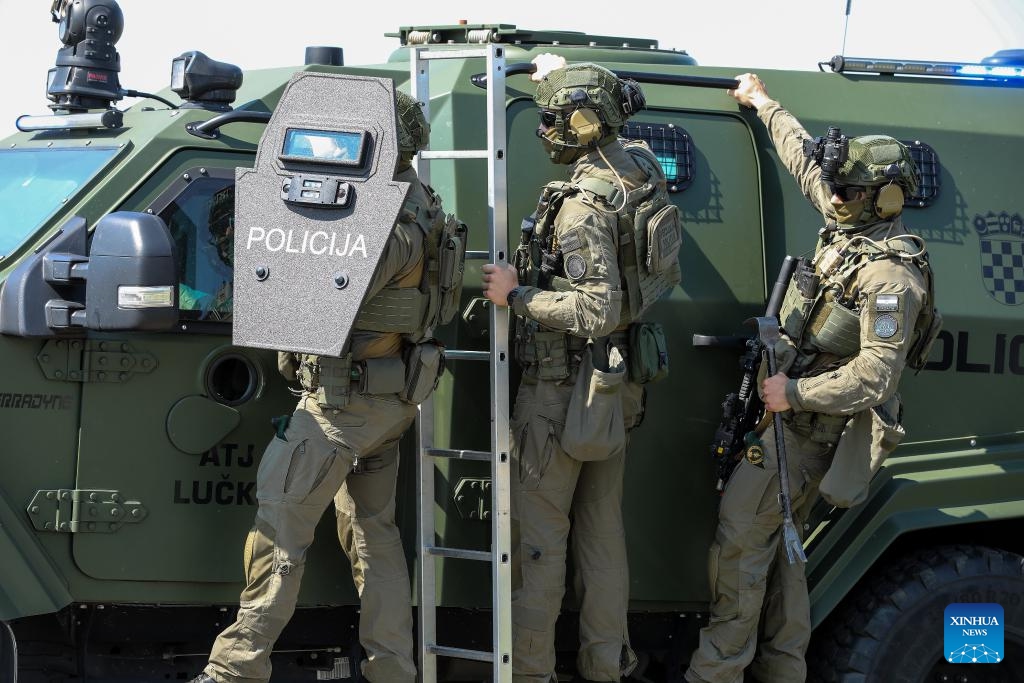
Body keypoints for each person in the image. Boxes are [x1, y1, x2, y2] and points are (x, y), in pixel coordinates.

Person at [191, 90, 464, 683]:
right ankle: (392, 670)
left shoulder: (394, 215)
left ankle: (234, 669)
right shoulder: (416, 201)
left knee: (280, 524)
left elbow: (341, 281)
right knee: (373, 536)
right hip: (383, 400)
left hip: (344, 408)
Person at [684, 73, 939, 683]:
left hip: (800, 437)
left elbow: (878, 376)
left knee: (743, 552)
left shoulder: (890, 279)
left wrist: (792, 392)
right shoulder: (851, 230)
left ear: (886, 198)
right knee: (782, 565)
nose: (836, 195)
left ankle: (715, 673)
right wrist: (763, 103)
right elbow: (804, 163)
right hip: (789, 429)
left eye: (850, 187)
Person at [482, 54, 680, 683]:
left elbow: (596, 307)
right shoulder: (641, 167)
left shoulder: (580, 209)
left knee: (538, 545)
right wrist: (558, 74)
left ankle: (530, 672)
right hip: (612, 387)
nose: (548, 130)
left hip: (560, 392)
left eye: (557, 118)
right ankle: (605, 664)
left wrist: (515, 296)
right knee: (602, 537)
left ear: (586, 123)